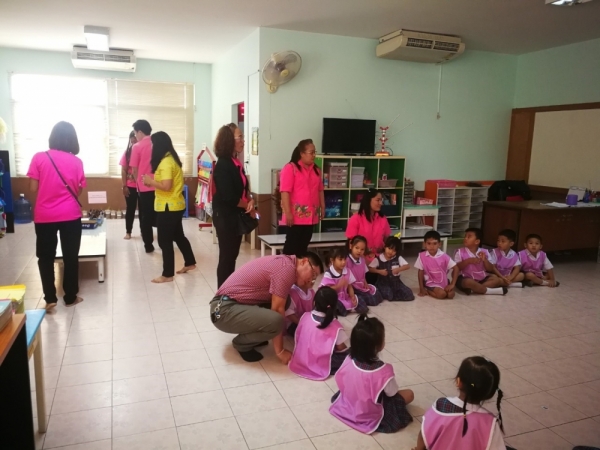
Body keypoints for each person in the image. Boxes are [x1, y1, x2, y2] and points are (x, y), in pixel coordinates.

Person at [209, 252, 324, 363]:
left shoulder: (286, 263)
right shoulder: (286, 269)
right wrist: (280, 352)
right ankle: (242, 343)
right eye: (313, 274)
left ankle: (255, 337)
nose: (312, 280)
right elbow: (277, 310)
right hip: (222, 311)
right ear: (304, 262)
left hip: (231, 304)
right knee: (276, 320)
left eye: (315, 278)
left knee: (285, 302)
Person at [27, 121, 86, 311]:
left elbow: (33, 188)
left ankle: (50, 298)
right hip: (70, 215)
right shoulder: (77, 162)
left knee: (45, 257)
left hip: (44, 215)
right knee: (70, 256)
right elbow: (78, 190)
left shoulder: (39, 158)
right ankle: (70, 297)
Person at [329, 315, 414, 434]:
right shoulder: (384, 371)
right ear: (379, 345)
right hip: (369, 413)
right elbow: (392, 393)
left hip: (348, 404)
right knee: (409, 394)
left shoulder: (348, 359)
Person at [412, 356, 509, 450]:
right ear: (490, 393)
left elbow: (423, 433)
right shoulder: (490, 423)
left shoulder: (440, 406)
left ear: (458, 381)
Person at [142, 131, 196, 283]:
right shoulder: (171, 159)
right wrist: (152, 182)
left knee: (164, 241)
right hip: (175, 205)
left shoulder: (166, 162)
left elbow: (166, 186)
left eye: (153, 144)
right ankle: (190, 262)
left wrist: (150, 182)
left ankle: (167, 275)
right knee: (178, 236)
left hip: (168, 207)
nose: (152, 147)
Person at [212, 123, 255, 288]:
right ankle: (222, 294)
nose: (243, 141)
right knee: (226, 257)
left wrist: (250, 200)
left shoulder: (235, 162)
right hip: (225, 217)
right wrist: (246, 206)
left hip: (234, 215)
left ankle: (229, 291)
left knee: (232, 256)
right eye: (240, 137)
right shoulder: (223, 165)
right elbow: (228, 196)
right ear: (229, 140)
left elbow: (243, 189)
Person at [289, 286, 349, 380]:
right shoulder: (335, 326)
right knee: (350, 357)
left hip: (302, 359)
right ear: (334, 306)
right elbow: (341, 348)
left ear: (314, 302)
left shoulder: (305, 316)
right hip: (320, 363)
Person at [280, 139, 325, 256]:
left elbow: (320, 190)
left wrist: (323, 207)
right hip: (295, 216)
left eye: (315, 152)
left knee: (303, 247)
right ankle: (286, 266)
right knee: (291, 247)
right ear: (302, 154)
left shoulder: (316, 170)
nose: (314, 155)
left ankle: (300, 267)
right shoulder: (291, 168)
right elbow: (285, 192)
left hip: (311, 216)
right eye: (311, 152)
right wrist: (288, 213)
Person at [345, 189, 390, 284]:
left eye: (381, 200)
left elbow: (387, 240)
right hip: (361, 259)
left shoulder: (383, 219)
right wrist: (364, 256)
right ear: (368, 200)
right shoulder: (355, 219)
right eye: (378, 200)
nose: (380, 203)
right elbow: (351, 244)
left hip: (378, 259)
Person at [454, 228, 507, 296]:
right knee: (468, 282)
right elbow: (457, 267)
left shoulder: (485, 252)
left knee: (496, 280)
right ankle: (489, 291)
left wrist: (485, 260)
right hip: (465, 277)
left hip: (481, 278)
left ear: (477, 241)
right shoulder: (460, 252)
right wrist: (468, 261)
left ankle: (475, 289)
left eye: (469, 237)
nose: (465, 238)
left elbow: (490, 268)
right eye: (465, 236)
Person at [129, 119, 156, 253]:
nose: (135, 136)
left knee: (146, 216)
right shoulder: (157, 143)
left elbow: (134, 169)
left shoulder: (137, 147)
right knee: (160, 214)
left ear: (140, 132)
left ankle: (148, 245)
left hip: (144, 187)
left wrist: (137, 182)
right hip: (160, 185)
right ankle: (165, 241)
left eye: (135, 133)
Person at [320, 246, 368, 316]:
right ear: (332, 260)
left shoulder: (347, 271)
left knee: (360, 300)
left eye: (345, 259)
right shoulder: (329, 273)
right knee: (336, 304)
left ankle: (348, 308)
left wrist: (352, 297)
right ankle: (345, 309)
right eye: (340, 259)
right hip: (334, 298)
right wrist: (338, 286)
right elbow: (325, 290)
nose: (343, 262)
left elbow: (349, 286)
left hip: (344, 297)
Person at [369, 236, 414, 301]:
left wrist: (398, 269)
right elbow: (370, 269)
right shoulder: (379, 259)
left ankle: (394, 295)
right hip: (383, 283)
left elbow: (407, 266)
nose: (390, 252)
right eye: (389, 248)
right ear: (385, 247)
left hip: (396, 283)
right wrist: (379, 271)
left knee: (409, 294)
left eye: (394, 250)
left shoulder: (397, 258)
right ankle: (393, 295)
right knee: (388, 294)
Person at [416, 230, 459, 300]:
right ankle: (428, 290)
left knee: (451, 295)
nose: (431, 246)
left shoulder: (444, 256)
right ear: (424, 244)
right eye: (429, 243)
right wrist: (421, 288)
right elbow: (420, 271)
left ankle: (442, 290)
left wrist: (452, 284)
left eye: (435, 243)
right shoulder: (422, 256)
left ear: (439, 244)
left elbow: (456, 268)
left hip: (443, 281)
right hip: (430, 281)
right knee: (442, 294)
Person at [346, 235, 383, 306]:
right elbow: (345, 278)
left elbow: (363, 274)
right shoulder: (347, 260)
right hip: (352, 287)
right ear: (351, 246)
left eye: (362, 249)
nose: (359, 251)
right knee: (369, 300)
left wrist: (365, 283)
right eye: (357, 248)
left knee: (377, 294)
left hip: (361, 285)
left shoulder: (362, 260)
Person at [120, 131, 138, 240]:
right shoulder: (127, 153)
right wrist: (124, 186)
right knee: (130, 209)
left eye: (135, 138)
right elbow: (123, 170)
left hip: (144, 186)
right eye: (132, 138)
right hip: (130, 186)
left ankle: (144, 232)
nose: (133, 140)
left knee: (144, 211)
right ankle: (128, 232)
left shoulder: (144, 152)